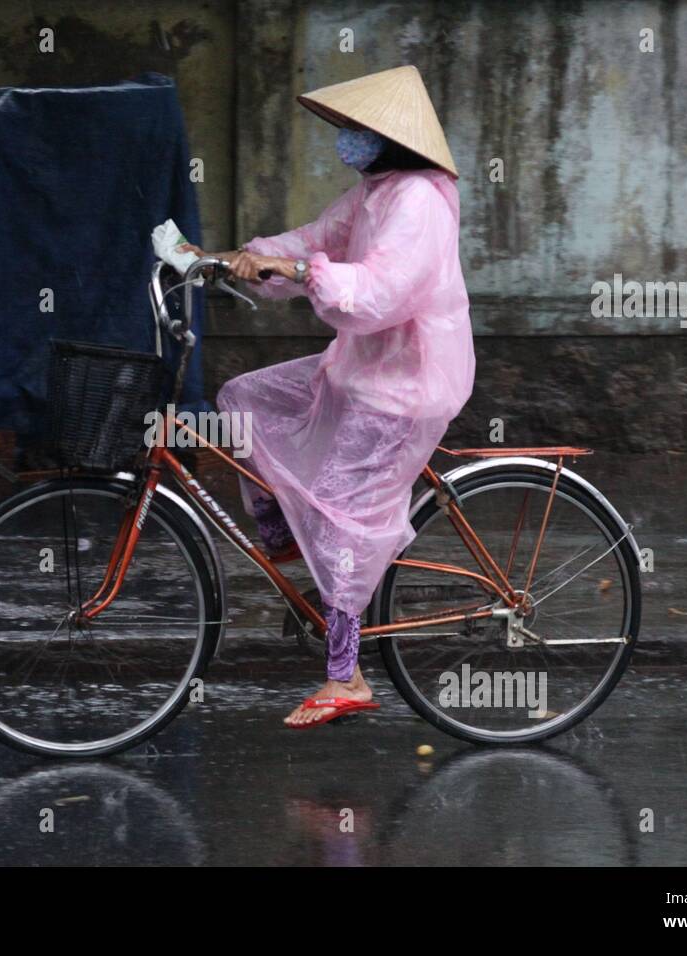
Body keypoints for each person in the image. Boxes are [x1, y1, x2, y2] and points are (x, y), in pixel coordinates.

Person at [183, 65, 476, 729]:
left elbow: (376, 294)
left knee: (343, 515)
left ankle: (346, 677)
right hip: (363, 369)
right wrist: (237, 257)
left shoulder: (421, 203)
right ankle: (288, 537)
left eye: (356, 130)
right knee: (244, 397)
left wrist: (297, 270)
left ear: (388, 137)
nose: (347, 139)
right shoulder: (377, 192)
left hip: (405, 386)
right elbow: (314, 243)